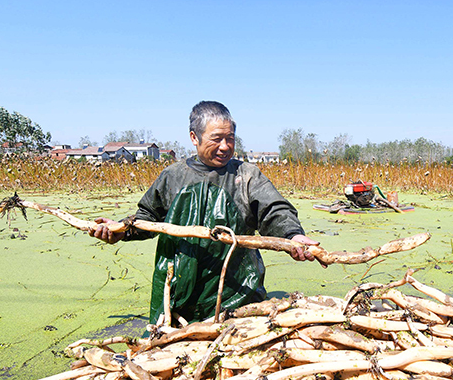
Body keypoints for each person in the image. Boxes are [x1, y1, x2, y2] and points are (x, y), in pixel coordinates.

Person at [89, 101, 318, 323]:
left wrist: (292, 236)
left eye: (230, 139)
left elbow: (274, 210)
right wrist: (121, 230)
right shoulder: (173, 176)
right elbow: (147, 217)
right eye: (216, 139)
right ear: (194, 138)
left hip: (238, 298)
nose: (225, 146)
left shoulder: (246, 175)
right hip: (179, 300)